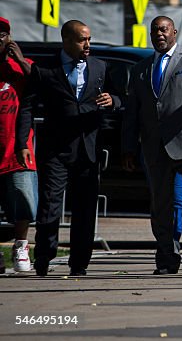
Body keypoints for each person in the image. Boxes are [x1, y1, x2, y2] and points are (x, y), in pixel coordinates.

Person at [31, 19, 120, 276]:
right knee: (50, 206)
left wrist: (111, 100)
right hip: (55, 149)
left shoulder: (100, 66)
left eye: (89, 39)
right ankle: (44, 258)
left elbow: (117, 96)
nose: (88, 44)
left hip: (88, 150)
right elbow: (28, 105)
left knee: (85, 209)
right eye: (83, 40)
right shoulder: (46, 69)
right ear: (67, 41)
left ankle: (79, 263)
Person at [122, 15, 182, 275]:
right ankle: (166, 256)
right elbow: (132, 112)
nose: (159, 34)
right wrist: (128, 147)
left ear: (175, 32)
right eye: (155, 31)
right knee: (161, 206)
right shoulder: (141, 69)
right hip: (155, 148)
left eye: (164, 30)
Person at [1, 17, 36, 273]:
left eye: (2, 35)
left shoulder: (21, 67)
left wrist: (20, 60)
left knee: (24, 200)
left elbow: (40, 87)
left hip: (17, 148)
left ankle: (21, 245)